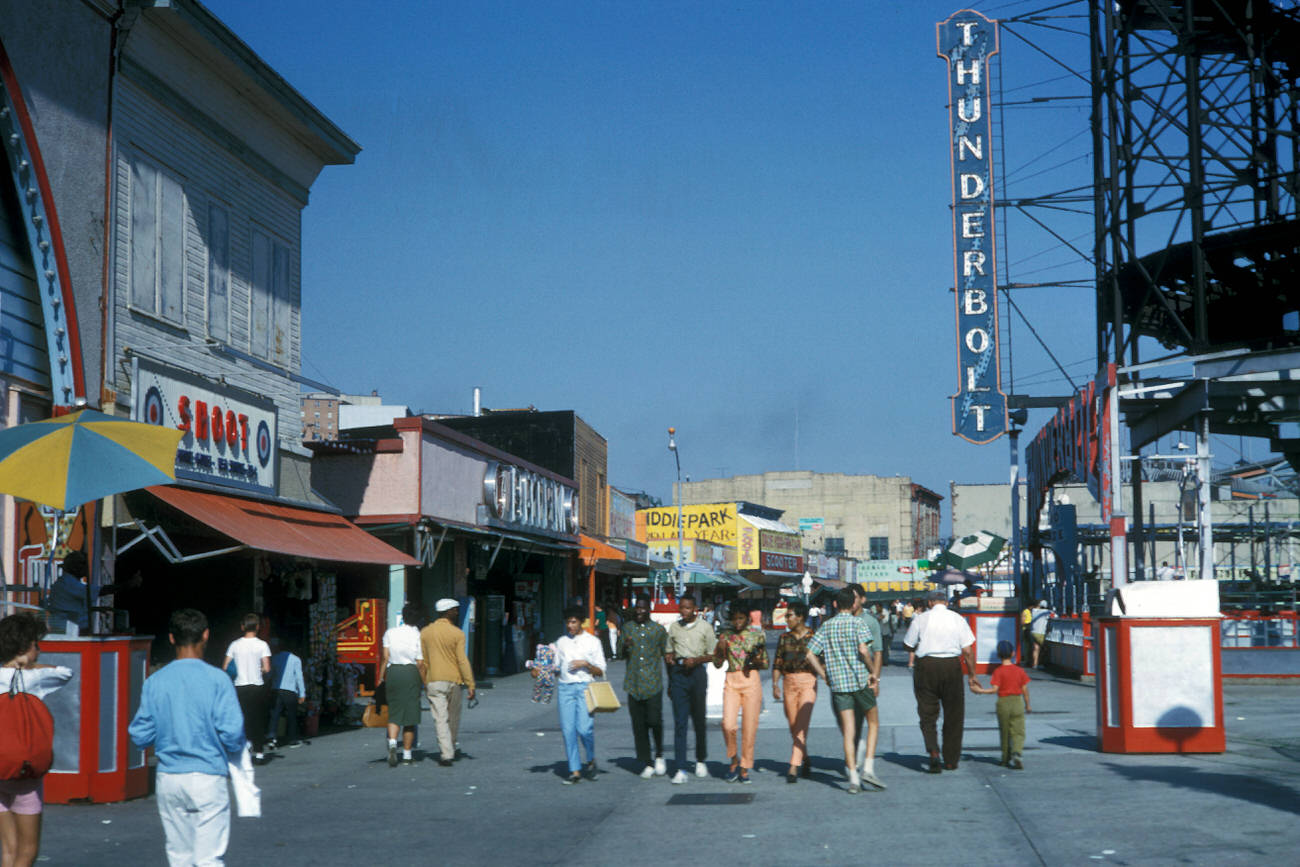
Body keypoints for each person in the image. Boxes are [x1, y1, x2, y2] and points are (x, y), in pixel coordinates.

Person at [129, 608, 245, 867]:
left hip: (169, 777)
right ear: (206, 635)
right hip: (207, 774)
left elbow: (140, 735)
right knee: (209, 858)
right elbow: (233, 734)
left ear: (171, 638)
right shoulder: (218, 680)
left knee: (179, 856)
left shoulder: (155, 681)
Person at [0, 613, 72, 867]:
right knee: (28, 850)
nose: (38, 651)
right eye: (35, 645)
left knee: (8, 850)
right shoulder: (32, 678)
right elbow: (65, 673)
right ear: (23, 648)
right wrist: (28, 666)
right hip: (25, 776)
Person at [806, 587, 883, 793]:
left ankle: (853, 779)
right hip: (860, 681)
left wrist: (824, 675)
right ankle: (868, 767)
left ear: (835, 604)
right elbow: (864, 650)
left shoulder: (827, 626)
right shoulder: (859, 623)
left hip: (839, 685)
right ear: (854, 603)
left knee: (848, 732)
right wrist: (872, 672)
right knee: (873, 723)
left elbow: (810, 654)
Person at [903, 589, 978, 773]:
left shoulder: (920, 619)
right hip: (951, 665)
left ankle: (933, 751)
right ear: (945, 602)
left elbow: (908, 644)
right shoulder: (957, 619)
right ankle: (951, 759)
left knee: (927, 712)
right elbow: (968, 651)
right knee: (954, 713)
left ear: (930, 603)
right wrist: (972, 675)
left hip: (926, 665)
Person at [536, 606, 605, 784]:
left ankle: (590, 758)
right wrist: (540, 671)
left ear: (581, 622)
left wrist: (586, 664)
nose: (570, 625)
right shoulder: (561, 642)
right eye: (568, 622)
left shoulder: (592, 641)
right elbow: (555, 668)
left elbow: (601, 670)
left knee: (584, 728)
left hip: (585, 687)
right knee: (568, 731)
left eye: (573, 622)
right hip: (566, 688)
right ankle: (575, 770)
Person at [713, 602, 767, 784]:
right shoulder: (725, 636)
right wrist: (720, 648)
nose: (737, 622)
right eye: (734, 619)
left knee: (749, 727)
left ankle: (744, 767)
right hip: (731, 681)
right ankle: (733, 758)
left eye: (741, 618)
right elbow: (717, 663)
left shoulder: (756, 635)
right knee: (728, 724)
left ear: (748, 618)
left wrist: (754, 661)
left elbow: (765, 662)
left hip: (751, 680)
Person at [665, 594, 716, 784]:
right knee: (680, 721)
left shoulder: (705, 627)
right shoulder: (674, 627)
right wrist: (669, 658)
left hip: (696, 674)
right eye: (681, 608)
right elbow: (669, 650)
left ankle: (701, 758)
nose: (684, 612)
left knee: (698, 719)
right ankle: (680, 767)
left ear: (695, 609)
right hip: (678, 674)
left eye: (687, 608)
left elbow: (713, 655)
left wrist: (696, 660)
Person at [420, 598, 475, 767]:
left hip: (434, 680)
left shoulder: (425, 632)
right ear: (448, 612)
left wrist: (425, 681)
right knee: (454, 717)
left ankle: (446, 752)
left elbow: (424, 661)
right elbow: (462, 660)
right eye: (455, 610)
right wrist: (470, 683)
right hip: (454, 680)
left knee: (440, 718)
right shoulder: (457, 633)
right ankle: (449, 748)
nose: (457, 613)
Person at [618, 596, 668, 779]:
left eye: (643, 608)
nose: (639, 611)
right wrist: (625, 645)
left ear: (649, 610)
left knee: (654, 721)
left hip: (653, 683)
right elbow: (619, 654)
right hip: (633, 684)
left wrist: (671, 682)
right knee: (638, 725)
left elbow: (666, 655)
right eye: (637, 608)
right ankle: (646, 761)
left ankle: (660, 754)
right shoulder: (628, 628)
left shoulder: (658, 630)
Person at [771, 599, 817, 783]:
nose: (786, 618)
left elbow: (821, 662)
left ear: (800, 617)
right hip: (788, 682)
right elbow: (777, 663)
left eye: (789, 615)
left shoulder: (814, 637)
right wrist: (775, 684)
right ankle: (805, 759)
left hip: (808, 682)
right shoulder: (784, 638)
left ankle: (793, 766)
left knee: (802, 723)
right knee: (793, 725)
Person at [969, 640, 1032, 768]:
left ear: (998, 655)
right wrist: (1027, 704)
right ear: (1013, 653)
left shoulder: (998, 671)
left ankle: (1005, 758)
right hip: (1017, 701)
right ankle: (1017, 752)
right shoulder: (1019, 671)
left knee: (1004, 731)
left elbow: (994, 690)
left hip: (1003, 703)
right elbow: (1025, 689)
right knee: (1018, 731)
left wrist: (980, 691)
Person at [378, 602, 425, 767]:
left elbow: (385, 657)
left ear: (403, 616)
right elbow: (420, 662)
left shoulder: (390, 632)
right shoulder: (418, 635)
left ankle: (392, 743)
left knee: (395, 711)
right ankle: (406, 754)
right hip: (410, 673)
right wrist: (424, 681)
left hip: (393, 673)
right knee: (410, 716)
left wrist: (380, 678)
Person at [222, 613, 271, 764]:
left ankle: (246, 744)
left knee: (242, 717)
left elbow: (224, 667)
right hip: (257, 686)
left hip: (239, 686)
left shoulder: (234, 645)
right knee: (258, 717)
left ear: (242, 627)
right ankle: (260, 752)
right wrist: (259, 670)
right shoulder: (262, 645)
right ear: (257, 627)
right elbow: (267, 668)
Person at [849, 585, 886, 782]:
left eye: (855, 598)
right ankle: (856, 749)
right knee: (848, 723)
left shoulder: (870, 622)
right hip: (845, 679)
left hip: (865, 677)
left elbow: (877, 651)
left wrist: (876, 678)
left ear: (862, 600)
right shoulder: (841, 621)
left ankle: (860, 760)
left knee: (866, 719)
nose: (852, 602)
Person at [265, 639, 305, 750]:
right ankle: (292, 739)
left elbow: (270, 674)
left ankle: (272, 738)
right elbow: (299, 677)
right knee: (291, 715)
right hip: (290, 691)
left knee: (275, 715)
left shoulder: (275, 658)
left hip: (276, 689)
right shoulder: (296, 659)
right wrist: (302, 693)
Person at [44, 550, 89, 635]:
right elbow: (95, 591)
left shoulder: (70, 583)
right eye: (81, 564)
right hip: (66, 630)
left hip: (68, 628)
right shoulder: (68, 583)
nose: (85, 568)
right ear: (74, 567)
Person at [1029, 601, 1053, 668]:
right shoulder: (1047, 612)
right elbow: (1055, 616)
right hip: (1040, 633)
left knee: (1036, 648)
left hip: (1032, 632)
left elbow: (1034, 608)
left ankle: (1035, 664)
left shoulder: (1034, 611)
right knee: (1045, 648)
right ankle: (1042, 663)